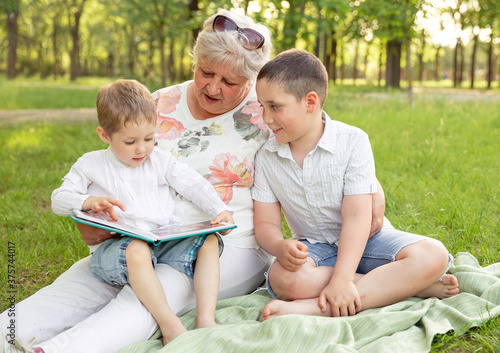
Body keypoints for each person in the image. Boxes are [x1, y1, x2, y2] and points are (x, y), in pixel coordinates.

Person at [1, 11, 382, 353]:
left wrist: (374, 192)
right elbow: (112, 164)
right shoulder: (157, 104)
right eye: (206, 72)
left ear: (251, 80)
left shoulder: (267, 114)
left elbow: (328, 141)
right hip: (141, 236)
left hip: (221, 247)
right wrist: (94, 219)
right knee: (74, 289)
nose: (213, 88)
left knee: (147, 301)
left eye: (230, 81)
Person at [251, 49, 460, 321]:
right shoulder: (267, 156)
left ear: (310, 102)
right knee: (283, 279)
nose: (266, 118)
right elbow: (265, 224)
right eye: (262, 107)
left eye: (275, 107)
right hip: (315, 248)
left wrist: (343, 279)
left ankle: (317, 307)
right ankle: (403, 287)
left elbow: (357, 216)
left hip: (369, 239)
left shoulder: (353, 141)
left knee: (433, 255)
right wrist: (280, 247)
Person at [50, 79, 235, 346]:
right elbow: (59, 199)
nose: (142, 149)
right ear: (105, 136)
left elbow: (191, 182)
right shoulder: (91, 164)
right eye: (130, 141)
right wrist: (88, 202)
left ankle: (206, 319)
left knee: (208, 239)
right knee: (137, 249)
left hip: (161, 242)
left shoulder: (158, 159)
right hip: (117, 250)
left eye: (149, 138)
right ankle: (169, 324)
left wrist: (220, 210)